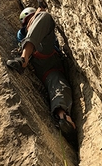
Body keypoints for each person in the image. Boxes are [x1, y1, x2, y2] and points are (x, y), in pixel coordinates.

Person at [7, 7, 76, 138]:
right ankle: (23, 59)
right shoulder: (22, 33)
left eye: (32, 18)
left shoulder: (41, 18)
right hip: (40, 58)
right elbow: (30, 30)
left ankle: (63, 117)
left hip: (54, 63)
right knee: (45, 17)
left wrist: (38, 12)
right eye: (27, 20)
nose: (31, 21)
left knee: (59, 84)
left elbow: (43, 18)